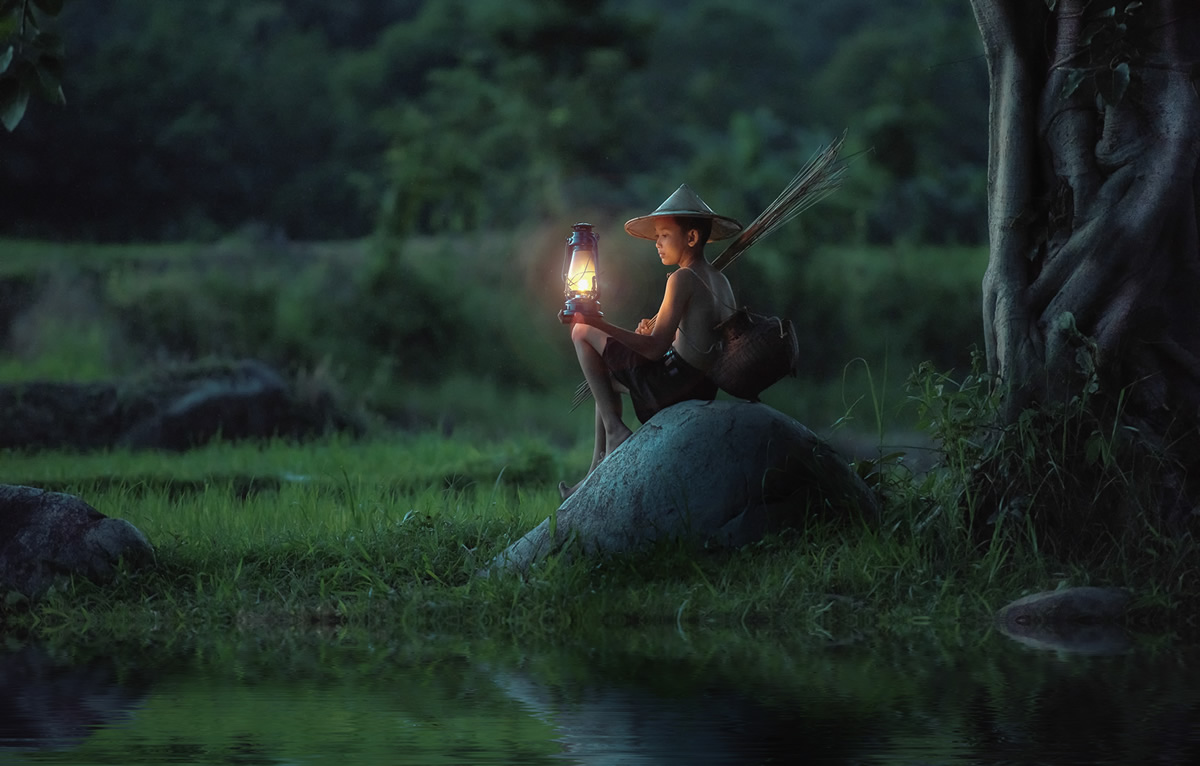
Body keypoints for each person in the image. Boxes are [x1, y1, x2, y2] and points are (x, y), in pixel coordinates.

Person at [559, 184, 742, 499]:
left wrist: (597, 323)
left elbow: (655, 348)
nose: (657, 243)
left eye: (664, 236)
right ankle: (594, 470)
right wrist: (641, 335)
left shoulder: (681, 278)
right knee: (602, 379)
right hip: (700, 384)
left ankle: (616, 433)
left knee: (579, 331)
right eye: (656, 236)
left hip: (672, 386)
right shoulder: (720, 280)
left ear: (692, 238)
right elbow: (691, 341)